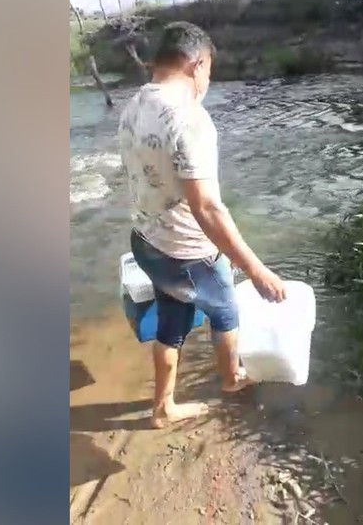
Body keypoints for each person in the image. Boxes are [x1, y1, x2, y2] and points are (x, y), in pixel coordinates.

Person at [118, 22, 287, 429]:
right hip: (188, 251)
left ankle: (163, 408)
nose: (207, 80)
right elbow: (207, 208)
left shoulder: (134, 104)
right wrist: (256, 270)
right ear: (197, 64)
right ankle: (232, 381)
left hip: (146, 240)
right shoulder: (190, 117)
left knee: (172, 318)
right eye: (208, 70)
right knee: (226, 312)